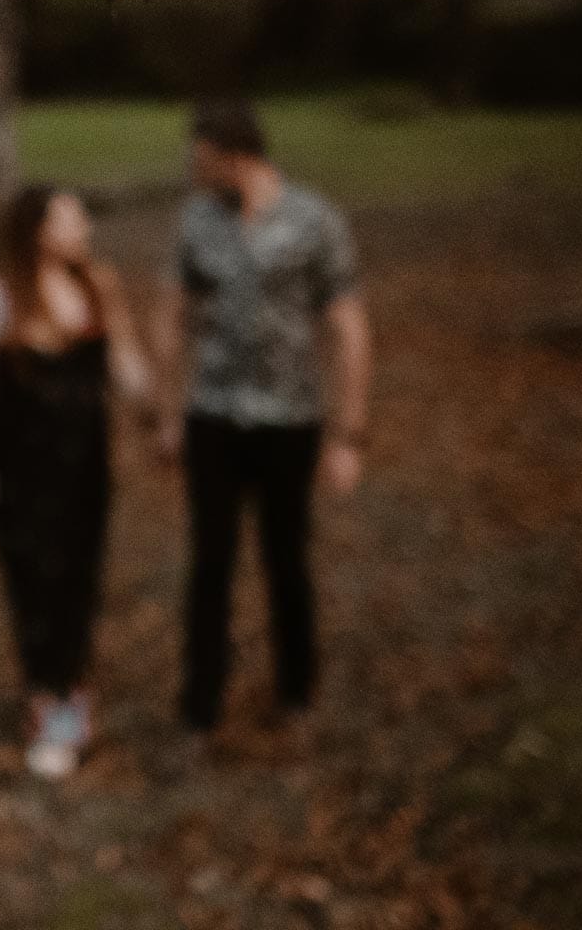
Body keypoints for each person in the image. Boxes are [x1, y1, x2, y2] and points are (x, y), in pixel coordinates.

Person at [155, 97, 372, 735]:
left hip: (291, 418)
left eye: (200, 158)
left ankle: (296, 691)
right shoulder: (197, 221)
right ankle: (201, 704)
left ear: (233, 156)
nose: (192, 170)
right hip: (214, 416)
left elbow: (350, 329)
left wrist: (349, 434)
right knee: (210, 561)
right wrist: (168, 413)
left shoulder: (314, 221)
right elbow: (169, 314)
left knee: (286, 557)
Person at [0, 186, 153, 779]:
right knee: (35, 580)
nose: (84, 226)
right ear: (37, 229)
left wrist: (163, 415)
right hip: (20, 471)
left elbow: (126, 365)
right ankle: (47, 698)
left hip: (86, 467)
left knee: (80, 578)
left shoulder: (97, 286)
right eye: (71, 218)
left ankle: (73, 694)